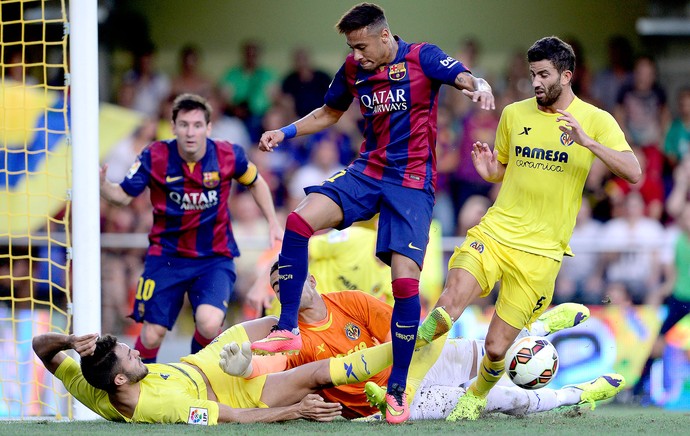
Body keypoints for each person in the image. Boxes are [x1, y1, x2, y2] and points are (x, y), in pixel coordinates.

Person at [251, 3, 494, 423]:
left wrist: (479, 85)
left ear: (384, 36)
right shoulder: (352, 68)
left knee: (404, 285)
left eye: (362, 45)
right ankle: (288, 327)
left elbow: (462, 76)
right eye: (351, 46)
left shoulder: (421, 56)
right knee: (298, 220)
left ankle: (397, 389)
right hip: (368, 171)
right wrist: (285, 131)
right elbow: (330, 111)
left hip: (412, 183)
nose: (357, 54)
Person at [415, 36, 640, 422]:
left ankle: (477, 394)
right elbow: (505, 167)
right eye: (533, 73)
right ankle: (399, 384)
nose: (535, 82)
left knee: (497, 348)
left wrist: (587, 142)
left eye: (543, 74)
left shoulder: (596, 120)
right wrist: (492, 172)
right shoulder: (514, 114)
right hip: (496, 233)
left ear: (566, 76)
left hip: (542, 253)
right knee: (447, 306)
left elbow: (633, 172)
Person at [222, 261, 623, 420]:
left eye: (292, 280)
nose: (287, 289)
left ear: (310, 279)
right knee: (501, 399)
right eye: (279, 287)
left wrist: (410, 367)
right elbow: (278, 382)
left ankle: (535, 331)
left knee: (495, 352)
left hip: (413, 367)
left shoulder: (352, 302)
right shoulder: (290, 339)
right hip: (392, 405)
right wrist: (249, 367)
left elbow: (407, 333)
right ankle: (578, 393)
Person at [100, 93, 283, 363]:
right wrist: (103, 184)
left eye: (197, 125)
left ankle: (196, 375)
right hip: (167, 257)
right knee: (151, 335)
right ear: (173, 127)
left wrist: (273, 222)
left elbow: (256, 181)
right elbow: (123, 195)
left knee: (209, 324)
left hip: (214, 258)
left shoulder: (227, 154)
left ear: (208, 128)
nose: (190, 132)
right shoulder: (154, 155)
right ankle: (141, 391)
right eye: (184, 124)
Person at [30, 315, 398, 425]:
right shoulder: (163, 408)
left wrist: (68, 340)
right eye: (131, 356)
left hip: (206, 361)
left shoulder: (91, 385)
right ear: (121, 378)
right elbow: (237, 418)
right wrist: (297, 411)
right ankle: (404, 345)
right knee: (316, 373)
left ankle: (294, 347)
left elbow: (39, 349)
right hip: (238, 392)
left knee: (281, 320)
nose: (139, 352)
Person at [633, 202, 690, 400]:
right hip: (680, 299)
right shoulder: (675, 239)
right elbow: (672, 276)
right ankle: (639, 387)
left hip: (681, 299)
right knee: (658, 343)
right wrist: (658, 293)